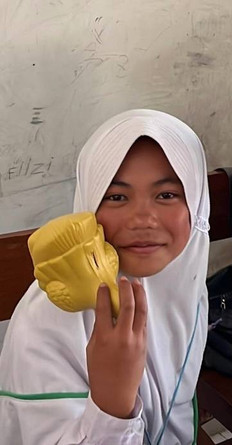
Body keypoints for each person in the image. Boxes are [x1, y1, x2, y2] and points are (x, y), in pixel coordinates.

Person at [0, 109, 210, 444]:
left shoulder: (183, 279)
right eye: (116, 197)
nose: (143, 219)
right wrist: (112, 403)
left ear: (197, 206)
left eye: (166, 195)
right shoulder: (45, 324)